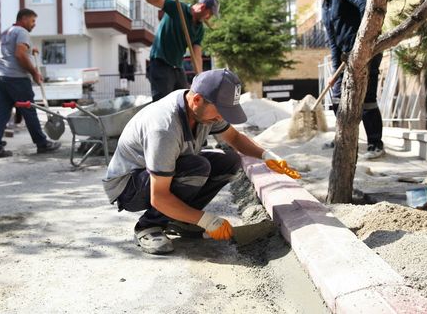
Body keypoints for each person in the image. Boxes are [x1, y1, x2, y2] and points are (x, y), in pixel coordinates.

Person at [103, 69, 299, 255]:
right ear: (196, 100)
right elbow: (159, 197)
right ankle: (148, 226)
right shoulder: (164, 129)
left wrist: (266, 156)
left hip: (160, 173)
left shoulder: (203, 108)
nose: (221, 118)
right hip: (129, 186)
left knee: (229, 161)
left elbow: (235, 138)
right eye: (220, 111)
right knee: (197, 168)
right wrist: (206, 220)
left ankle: (177, 219)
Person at [302, 0, 385, 159]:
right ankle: (344, 139)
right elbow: (333, 42)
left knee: (367, 99)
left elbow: (365, 3)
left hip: (367, 52)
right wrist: (334, 72)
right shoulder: (325, 7)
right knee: (337, 99)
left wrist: (365, 39)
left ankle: (375, 144)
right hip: (345, 58)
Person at [0, 8, 60, 159]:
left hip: (1, 76)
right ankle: (42, 143)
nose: (34, 24)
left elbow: (13, 51)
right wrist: (34, 72)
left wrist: (29, 49)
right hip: (16, 78)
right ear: (24, 18)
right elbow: (19, 54)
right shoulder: (22, 32)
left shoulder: (7, 32)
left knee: (2, 112)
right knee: (29, 110)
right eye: (33, 21)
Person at [144, 0, 219, 101]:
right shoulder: (178, 8)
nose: (208, 18)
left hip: (178, 68)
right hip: (161, 64)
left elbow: (197, 56)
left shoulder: (199, 29)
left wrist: (201, 80)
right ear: (202, 7)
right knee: (162, 105)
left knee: (184, 103)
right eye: (210, 14)